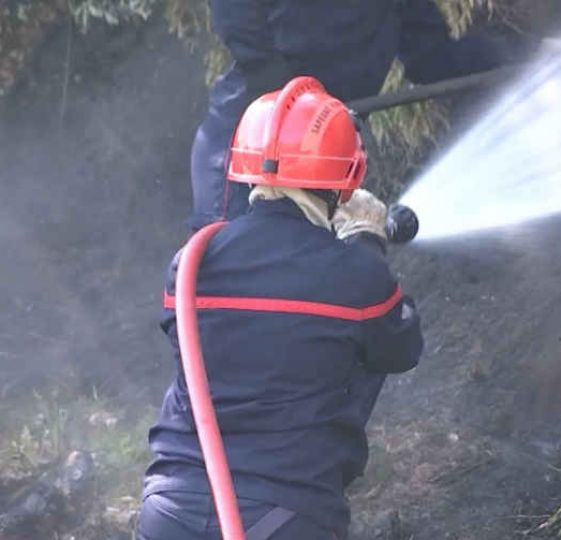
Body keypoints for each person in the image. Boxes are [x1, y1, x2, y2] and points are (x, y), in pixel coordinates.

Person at [139, 76, 423, 540]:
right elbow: (401, 347)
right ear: (345, 177)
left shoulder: (192, 263)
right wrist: (368, 240)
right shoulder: (354, 277)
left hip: (171, 509)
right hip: (282, 517)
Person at [189, 0, 521, 230]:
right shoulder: (256, 37)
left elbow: (432, 58)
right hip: (244, 159)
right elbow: (243, 30)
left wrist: (517, 58)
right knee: (232, 291)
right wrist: (298, 102)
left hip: (318, 169)